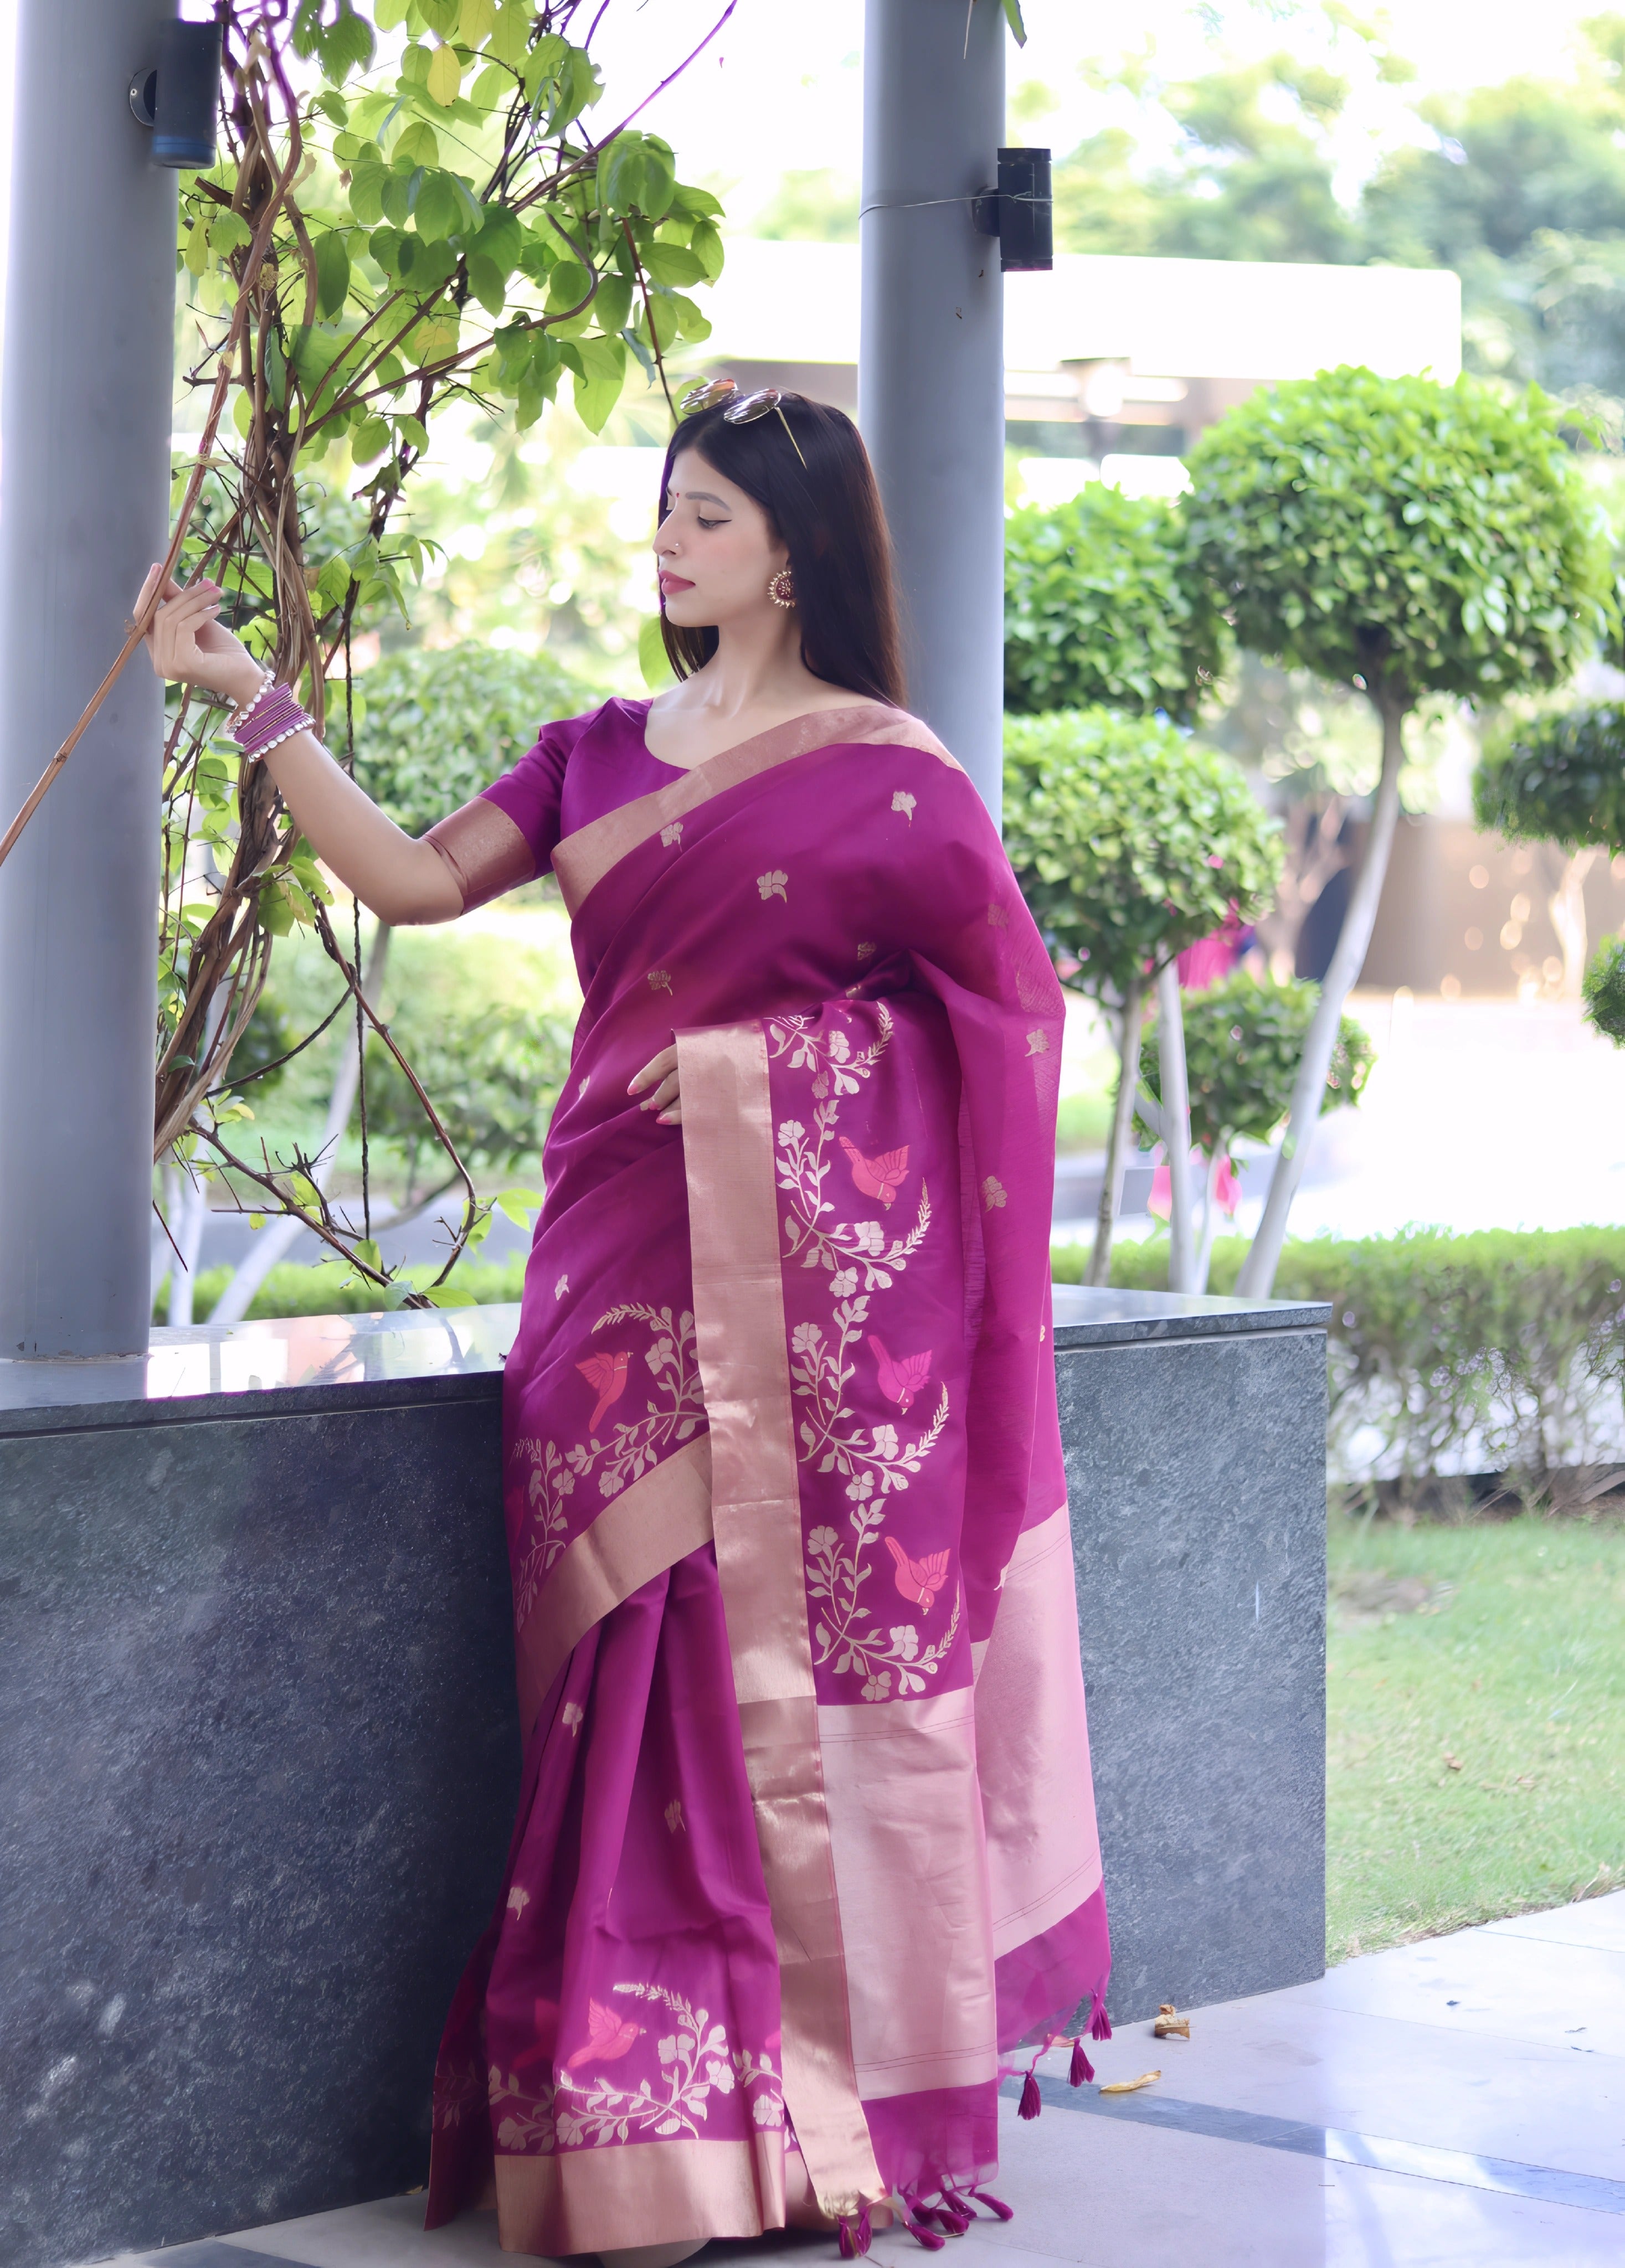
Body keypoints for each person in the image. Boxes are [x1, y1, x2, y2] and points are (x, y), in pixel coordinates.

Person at [140, 383, 1110, 2268]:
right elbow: (416, 883)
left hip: (814, 1296)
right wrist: (243, 690)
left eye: (710, 520)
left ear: (796, 551)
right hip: (612, 1270)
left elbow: (1001, 1027)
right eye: (665, 512)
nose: (667, 546)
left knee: (740, 1669)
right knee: (622, 1669)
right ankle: (631, 2120)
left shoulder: (896, 777)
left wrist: (773, 1072)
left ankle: (760, 2115)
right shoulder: (594, 754)